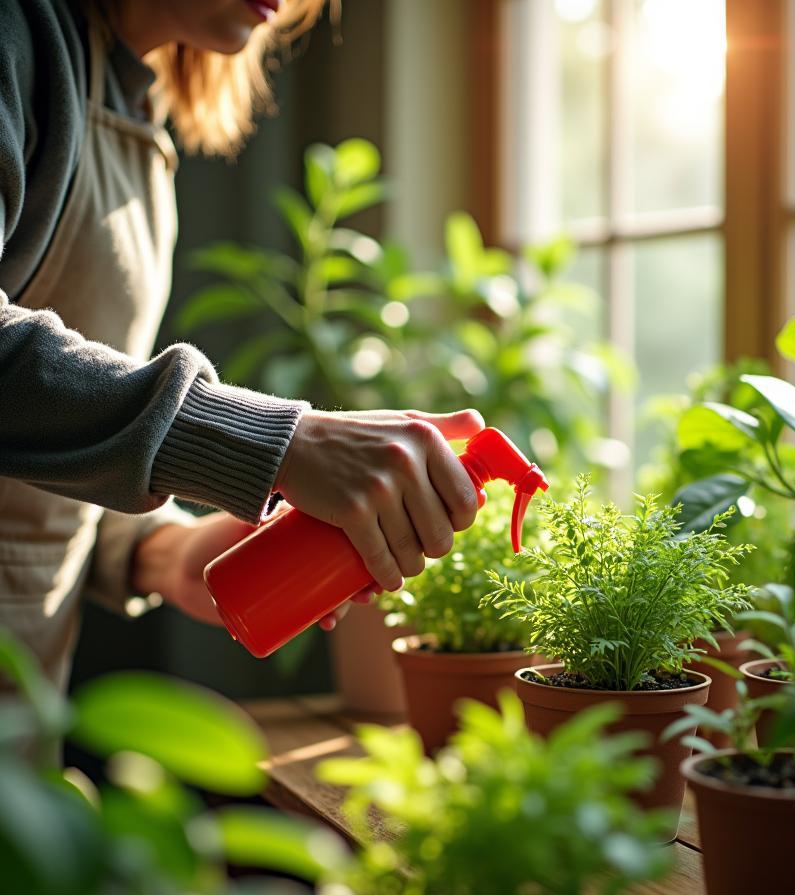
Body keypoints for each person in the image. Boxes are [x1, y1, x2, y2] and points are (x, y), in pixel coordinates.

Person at [0, 0, 482, 690]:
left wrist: (166, 553)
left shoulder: (136, 109)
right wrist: (272, 444)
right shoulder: (16, 35)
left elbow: (37, 447)